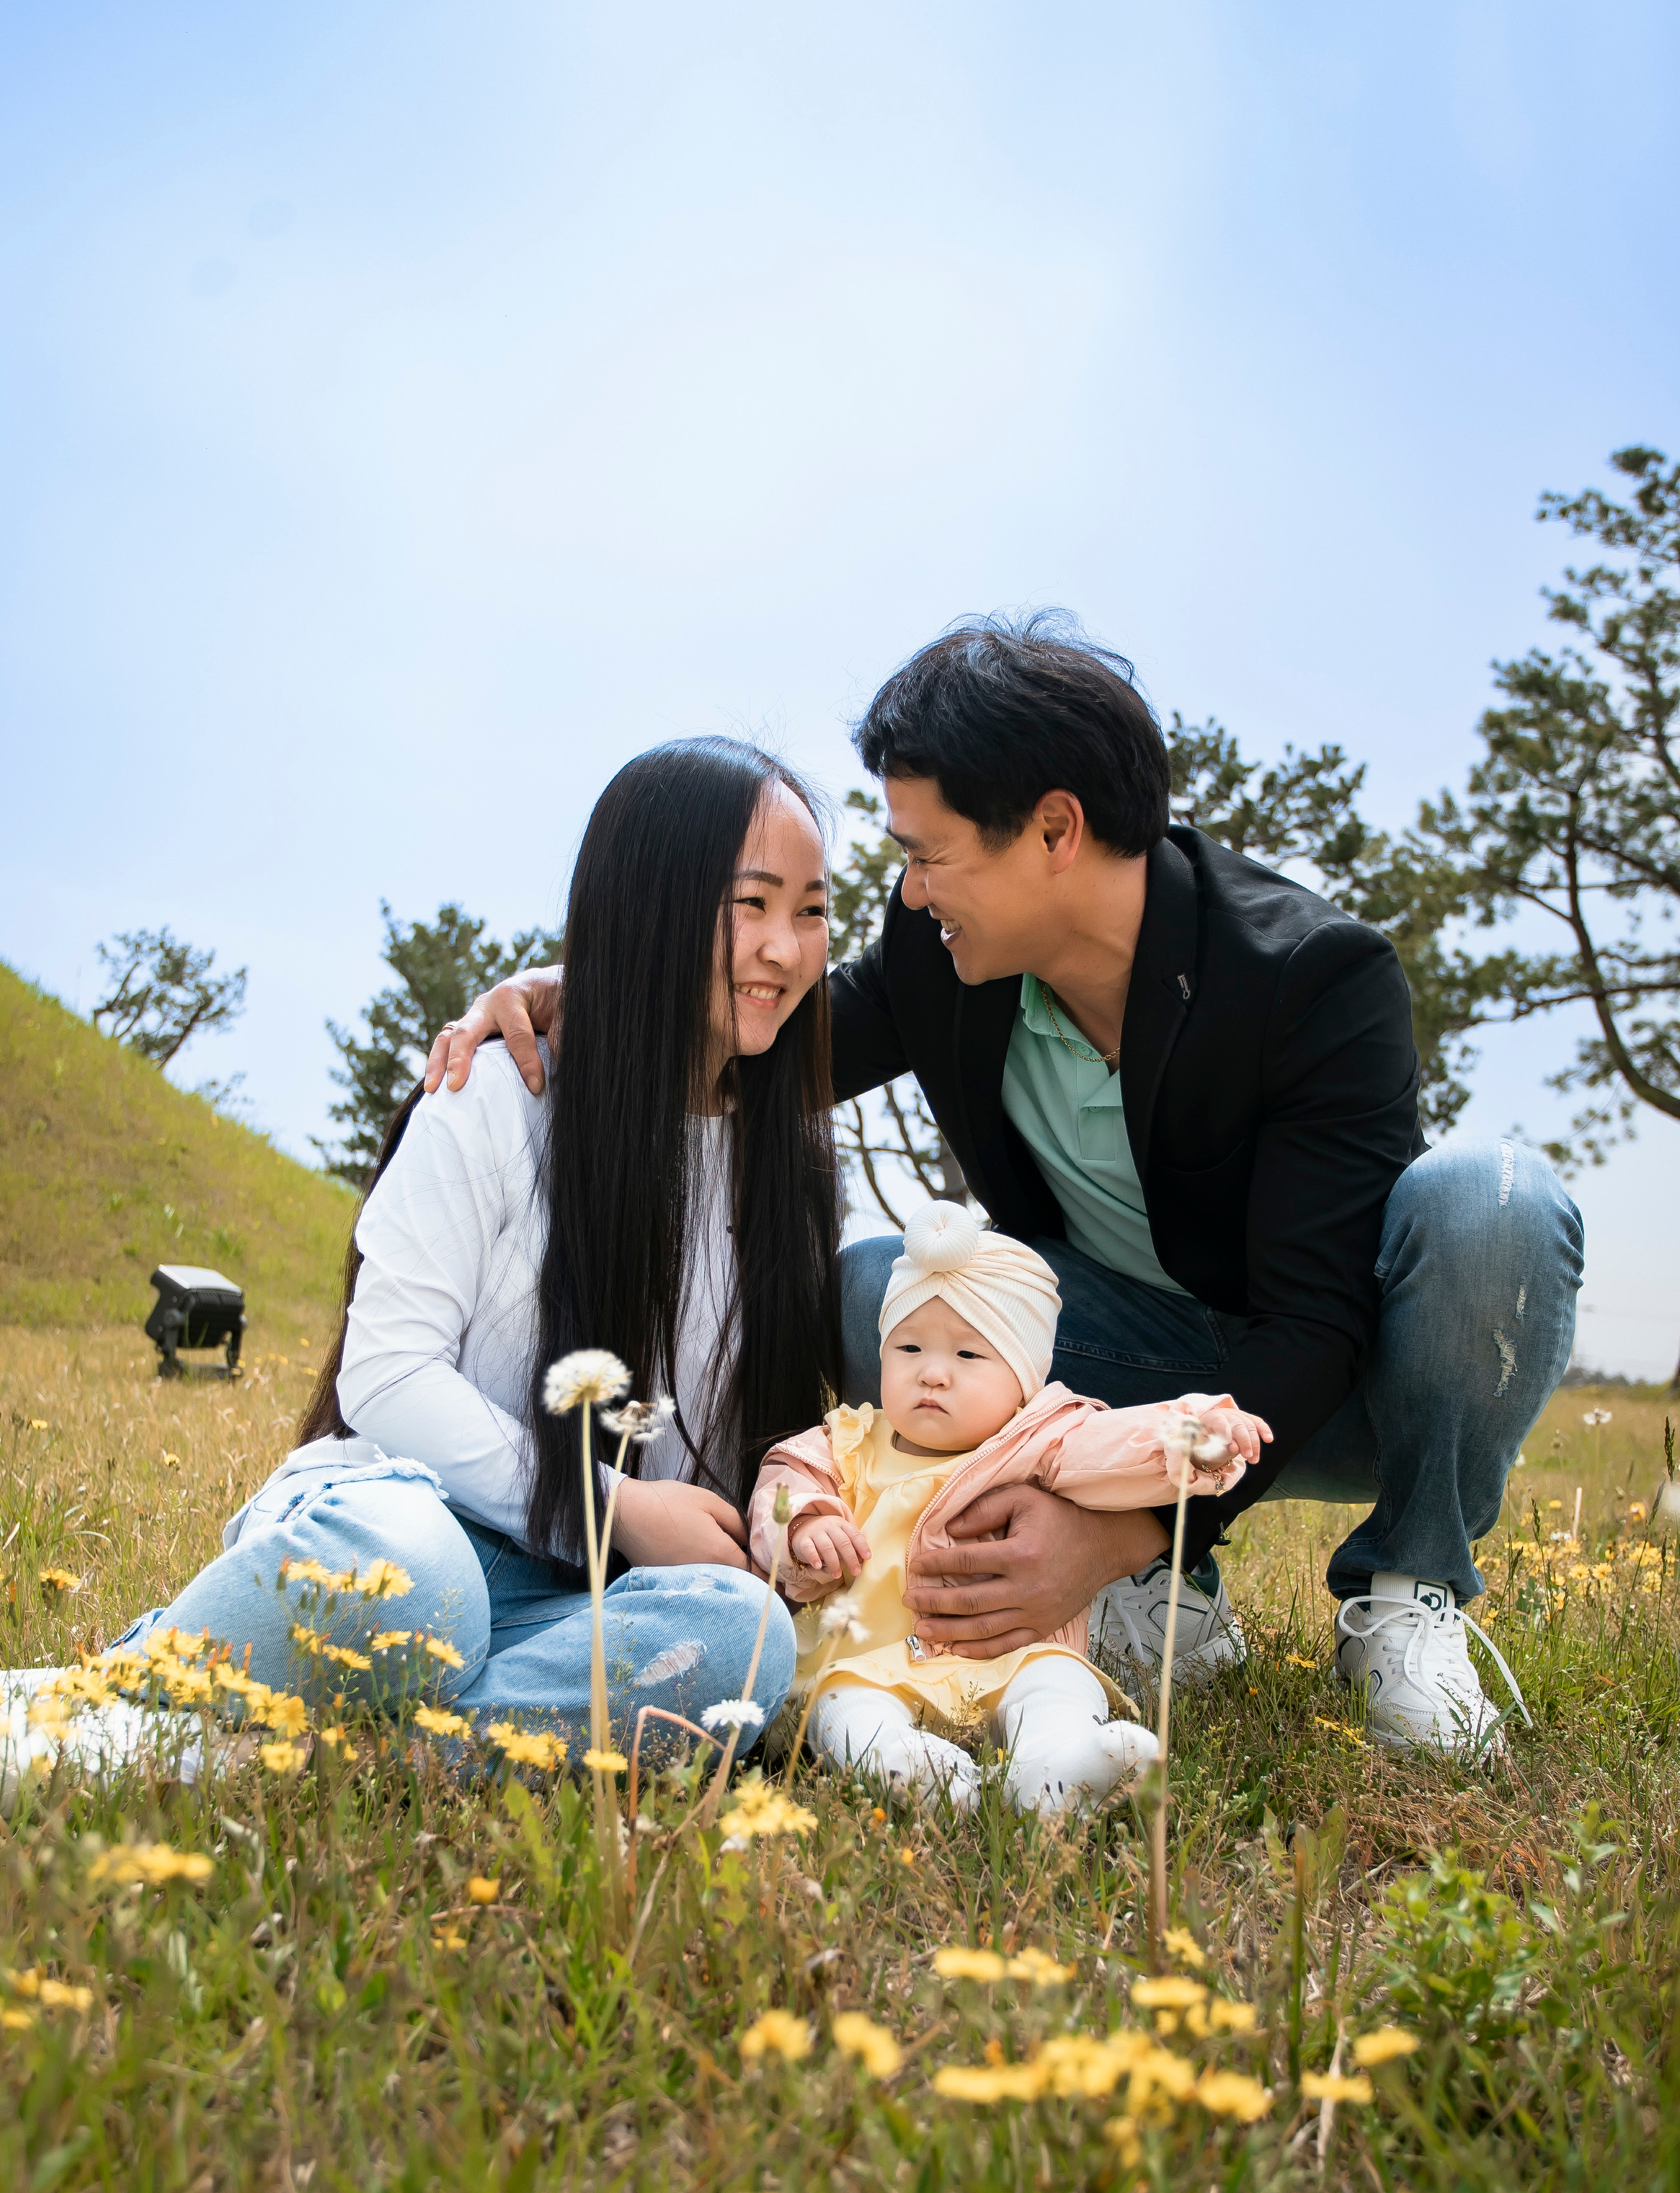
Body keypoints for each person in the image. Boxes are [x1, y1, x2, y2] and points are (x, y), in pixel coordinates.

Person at [431, 618, 1584, 1763]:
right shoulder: (944, 961)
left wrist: (1121, 1531)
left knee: (1494, 1200)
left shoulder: (1315, 977)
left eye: (930, 854)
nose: (911, 890)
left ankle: (1406, 1595)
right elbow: (769, 1041)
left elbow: (1316, 1324)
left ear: (1054, 831)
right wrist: (583, 989)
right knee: (879, 1287)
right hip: (1106, 1383)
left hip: (1349, 1386)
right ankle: (1175, 1603)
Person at [0, 740, 840, 1794]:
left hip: (574, 1600)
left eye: (814, 912)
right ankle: (91, 1700)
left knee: (743, 1639)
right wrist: (612, 1506)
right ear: (650, 903)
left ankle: (230, 1757)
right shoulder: (497, 1094)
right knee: (418, 1587)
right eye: (751, 904)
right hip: (407, 1520)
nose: (784, 948)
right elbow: (388, 1376)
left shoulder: (785, 1169)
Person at [745, 1200, 1266, 1811]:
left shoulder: (1039, 1441)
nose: (933, 1374)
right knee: (842, 1708)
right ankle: (910, 1769)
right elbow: (783, 1483)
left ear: (1025, 1379)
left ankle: (1055, 1768)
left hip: (1008, 1654)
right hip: (867, 1663)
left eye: (968, 1355)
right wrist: (806, 1523)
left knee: (1058, 1682)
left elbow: (1117, 1447)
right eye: (909, 1348)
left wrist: (1193, 1436)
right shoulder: (845, 1442)